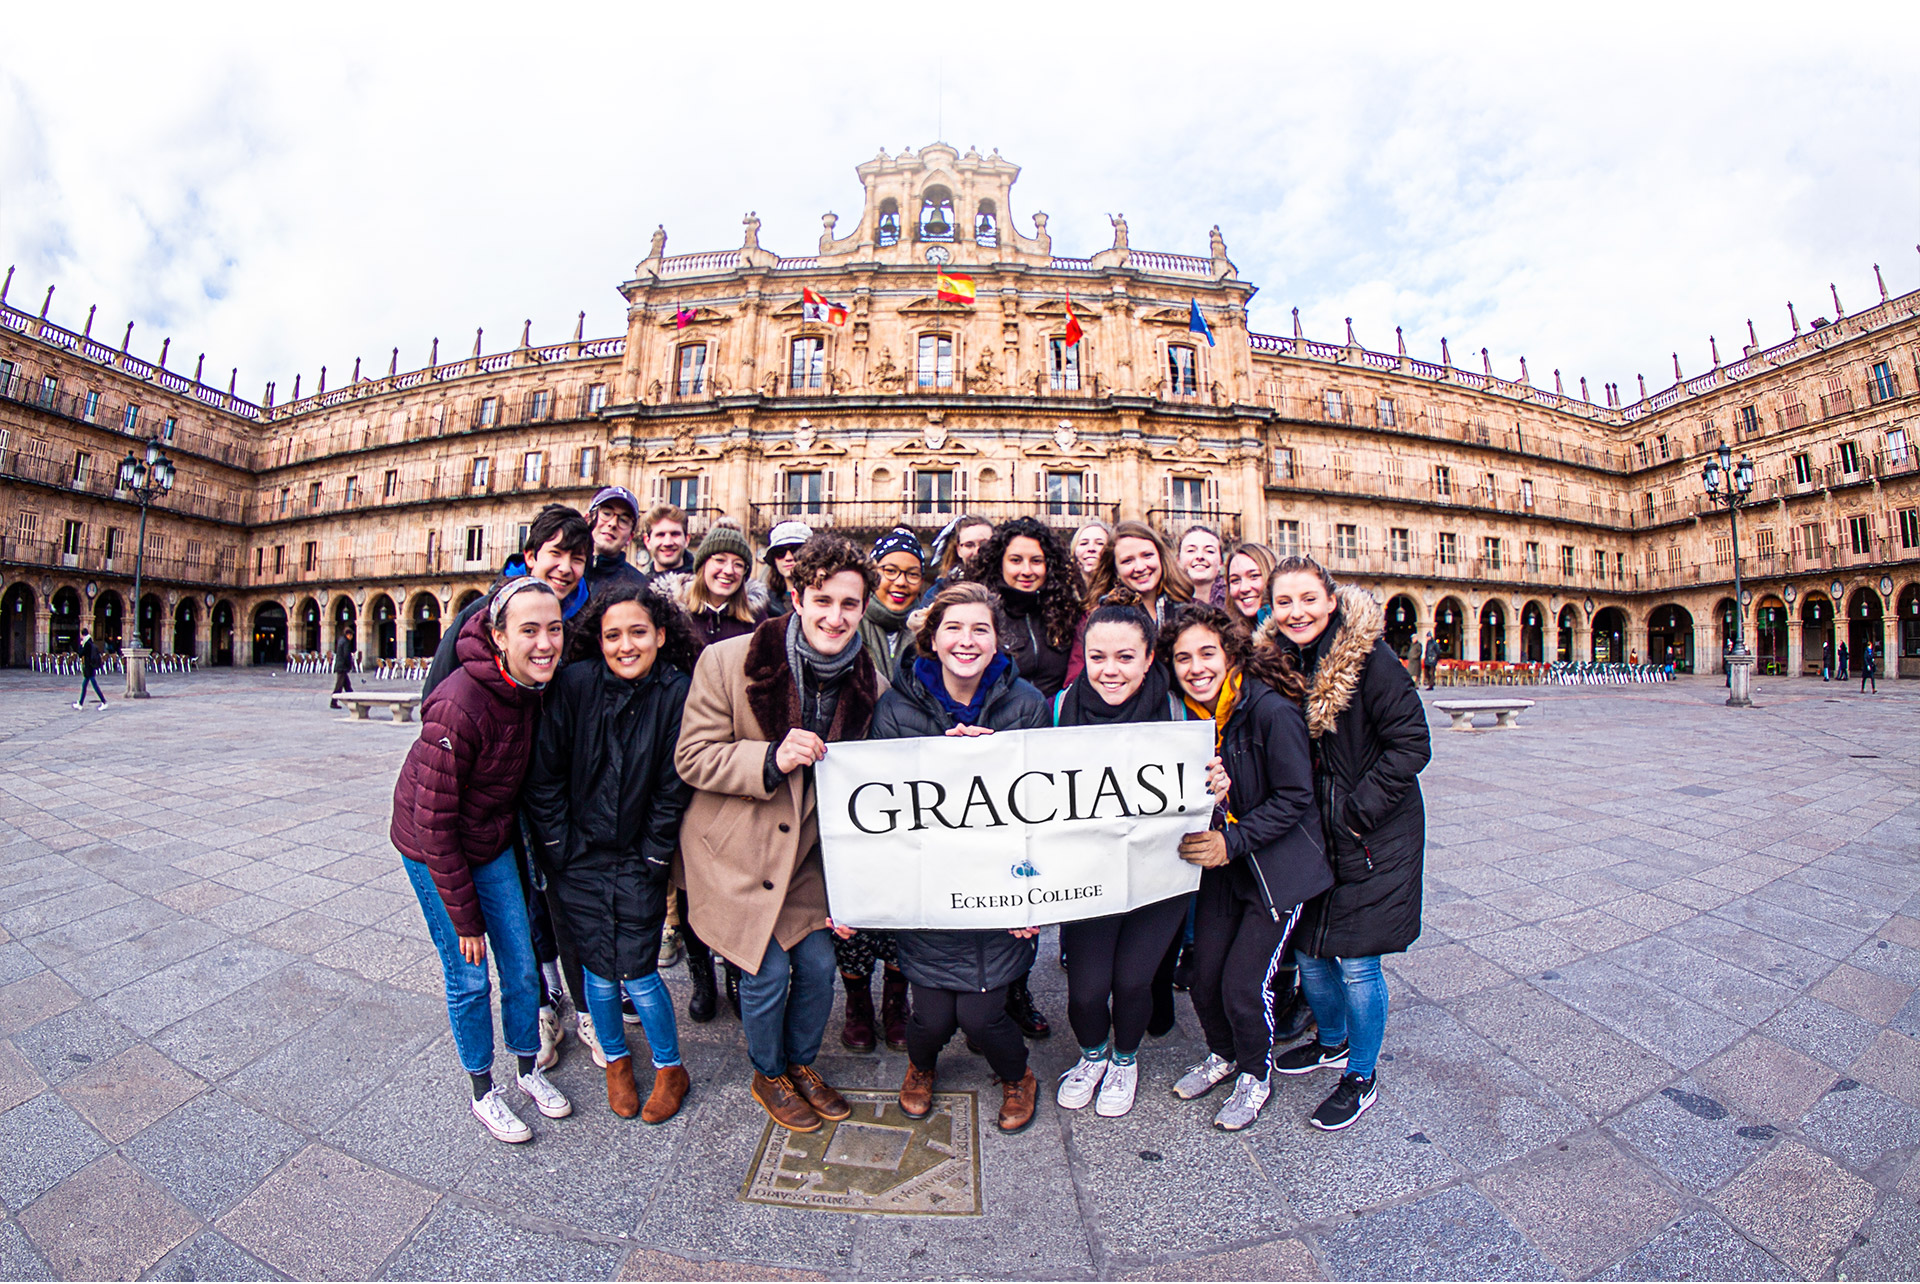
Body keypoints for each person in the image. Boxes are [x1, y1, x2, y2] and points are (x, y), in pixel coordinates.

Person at [675, 534, 886, 1133]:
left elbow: (901, 764)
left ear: (863, 607)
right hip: (735, 852)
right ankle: (768, 1072)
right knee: (764, 974)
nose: (835, 616)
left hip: (807, 861)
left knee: (820, 969)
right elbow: (692, 757)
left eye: (850, 604)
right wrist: (769, 757)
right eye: (822, 600)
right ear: (796, 596)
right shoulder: (727, 660)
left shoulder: (872, 682)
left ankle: (802, 1064)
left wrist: (952, 748)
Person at [390, 577, 573, 1144]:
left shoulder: (533, 689)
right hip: (433, 848)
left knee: (520, 968)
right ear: (498, 636)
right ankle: (482, 1091)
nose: (545, 643)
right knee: (469, 977)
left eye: (555, 629)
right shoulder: (458, 704)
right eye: (529, 631)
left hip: (487, 841)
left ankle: (526, 1070)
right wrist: (466, 919)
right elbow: (432, 822)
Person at [1258, 557, 1432, 1131]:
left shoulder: (1370, 659)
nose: (1297, 612)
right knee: (1309, 949)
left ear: (1331, 601)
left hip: (1374, 834)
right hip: (1316, 835)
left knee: (1357, 961)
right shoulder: (1276, 663)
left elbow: (1412, 745)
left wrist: (1356, 813)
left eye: (1308, 598)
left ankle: (1361, 1074)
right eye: (1284, 602)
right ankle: (1330, 1040)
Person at [871, 582, 1049, 1133]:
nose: (967, 640)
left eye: (980, 629)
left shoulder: (1027, 705)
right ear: (932, 638)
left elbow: (1048, 807)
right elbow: (878, 802)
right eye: (954, 628)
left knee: (980, 1013)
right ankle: (920, 1068)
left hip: (1001, 887)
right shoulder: (897, 707)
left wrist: (1036, 894)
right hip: (931, 890)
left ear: (998, 641)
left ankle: (1018, 1077)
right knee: (927, 1017)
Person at [525, 583, 698, 1123]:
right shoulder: (574, 686)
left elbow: (674, 784)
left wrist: (652, 856)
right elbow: (545, 773)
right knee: (598, 973)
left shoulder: (676, 691)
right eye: (613, 635)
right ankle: (617, 1061)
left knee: (640, 971)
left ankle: (670, 1066)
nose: (626, 645)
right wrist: (560, 847)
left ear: (660, 635)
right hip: (578, 856)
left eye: (638, 633)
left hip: (640, 856)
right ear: (598, 642)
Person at [1163, 602, 1332, 1130]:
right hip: (1223, 869)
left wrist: (1231, 839)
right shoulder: (1187, 718)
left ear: (1229, 652)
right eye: (1182, 657)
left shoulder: (1268, 710)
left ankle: (1256, 1075)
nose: (1196, 667)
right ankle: (1223, 1054)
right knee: (1201, 976)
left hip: (1275, 871)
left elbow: (1295, 797)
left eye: (1206, 653)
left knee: (1243, 983)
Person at [1051, 599, 1204, 1119]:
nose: (1109, 670)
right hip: (1088, 871)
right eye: (1098, 657)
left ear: (1148, 658)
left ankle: (1124, 1058)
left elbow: (1215, 776)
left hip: (1160, 872)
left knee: (1135, 980)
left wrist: (1219, 786)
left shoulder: (1180, 709)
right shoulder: (1059, 708)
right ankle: (1092, 1054)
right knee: (1088, 990)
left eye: (1124, 657)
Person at [424, 505, 593, 699]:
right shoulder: (480, 614)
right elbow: (435, 691)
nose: (565, 568)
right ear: (530, 556)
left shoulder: (585, 621)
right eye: (556, 553)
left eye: (577, 559)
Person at [1070, 520, 1195, 683]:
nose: (1140, 567)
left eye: (1147, 555)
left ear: (1161, 557)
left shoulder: (1191, 609)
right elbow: (1076, 679)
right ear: (1115, 569)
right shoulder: (1098, 618)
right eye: (1127, 561)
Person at [672, 519, 767, 650]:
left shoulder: (757, 620)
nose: (729, 571)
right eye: (720, 560)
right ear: (702, 565)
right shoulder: (674, 614)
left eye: (738, 564)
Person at [859, 527, 926, 681]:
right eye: (890, 571)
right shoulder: (849, 626)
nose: (901, 582)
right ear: (872, 574)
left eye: (913, 574)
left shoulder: (930, 633)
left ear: (921, 581)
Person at [914, 514, 994, 609]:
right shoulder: (937, 594)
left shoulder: (1010, 586)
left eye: (984, 543)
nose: (977, 551)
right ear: (958, 550)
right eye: (969, 545)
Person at [583, 487, 647, 596]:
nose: (613, 523)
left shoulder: (640, 589)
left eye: (623, 520)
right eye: (607, 513)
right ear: (588, 519)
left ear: (630, 537)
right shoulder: (565, 573)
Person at [762, 521, 813, 618]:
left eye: (796, 550)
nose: (788, 557)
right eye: (780, 552)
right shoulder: (762, 606)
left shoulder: (827, 598)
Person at [1223, 541, 1277, 631]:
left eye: (1254, 576)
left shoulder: (1290, 635)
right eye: (1235, 580)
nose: (1244, 588)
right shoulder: (1226, 637)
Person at [637, 505, 694, 586]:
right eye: (660, 535)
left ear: (686, 540)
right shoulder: (637, 587)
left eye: (675, 534)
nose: (668, 543)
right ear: (647, 541)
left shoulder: (706, 584)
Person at [1177, 524, 1228, 608]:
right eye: (1191, 550)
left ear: (1221, 563)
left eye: (1209, 551)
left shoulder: (1237, 603)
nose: (1200, 556)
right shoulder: (1164, 605)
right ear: (1178, 560)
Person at [73, 629, 107, 710]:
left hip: (89, 668)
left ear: (82, 635)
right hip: (90, 667)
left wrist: (81, 645)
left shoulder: (86, 644)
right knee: (84, 685)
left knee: (94, 685)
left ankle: (104, 701)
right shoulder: (90, 642)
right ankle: (80, 703)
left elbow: (81, 654)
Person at [329, 630, 356, 709]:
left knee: (347, 685)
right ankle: (333, 702)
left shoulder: (341, 640)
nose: (352, 637)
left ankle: (353, 700)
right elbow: (346, 655)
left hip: (340, 666)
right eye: (351, 635)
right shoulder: (346, 642)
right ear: (348, 635)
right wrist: (349, 665)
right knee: (339, 686)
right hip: (342, 667)